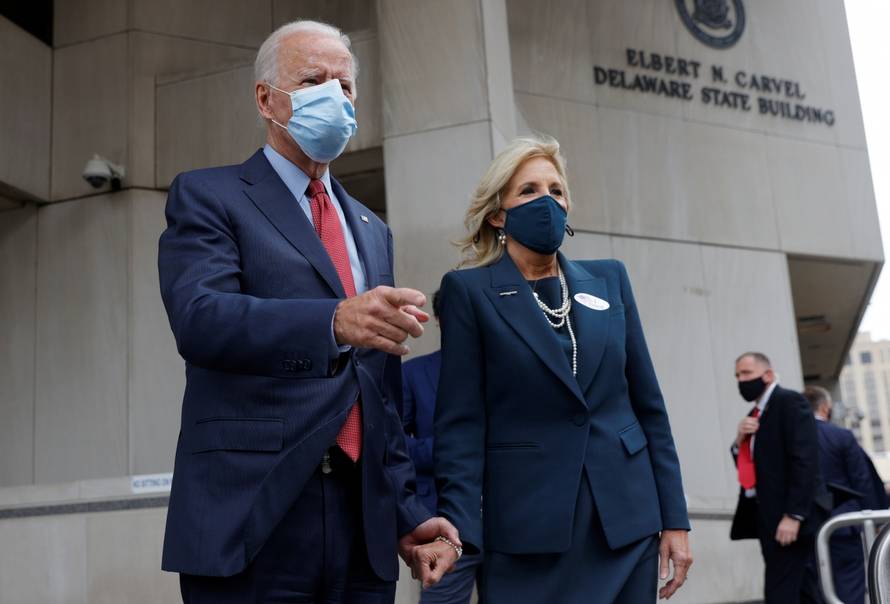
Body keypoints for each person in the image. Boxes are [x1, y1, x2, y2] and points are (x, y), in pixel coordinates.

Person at [158, 20, 459, 603]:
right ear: (265, 98)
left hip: (362, 524)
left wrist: (405, 512)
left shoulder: (373, 229)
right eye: (313, 80)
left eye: (344, 87)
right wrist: (330, 322)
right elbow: (200, 316)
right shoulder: (208, 195)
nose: (334, 97)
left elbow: (379, 391)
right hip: (254, 512)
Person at [415, 135, 693, 603]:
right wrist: (457, 531)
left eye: (556, 190)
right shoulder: (468, 292)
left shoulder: (610, 278)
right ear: (498, 213)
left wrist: (675, 518)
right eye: (528, 190)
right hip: (527, 532)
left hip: (626, 523)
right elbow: (460, 426)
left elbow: (649, 407)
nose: (547, 201)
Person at [729, 353, 832, 603]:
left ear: (768, 375)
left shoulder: (789, 402)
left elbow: (805, 461)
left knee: (779, 592)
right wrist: (739, 442)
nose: (741, 380)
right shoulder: (755, 414)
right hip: (768, 517)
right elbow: (751, 469)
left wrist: (794, 515)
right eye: (737, 375)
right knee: (803, 590)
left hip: (788, 519)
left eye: (746, 374)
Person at [401, 290, 483, 603]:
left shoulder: (504, 371)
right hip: (444, 521)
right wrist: (450, 449)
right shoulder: (413, 373)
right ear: (439, 320)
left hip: (508, 521)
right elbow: (393, 447)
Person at [803, 385, 889, 604]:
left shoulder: (793, 438)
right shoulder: (840, 435)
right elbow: (862, 480)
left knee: (819, 588)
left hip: (808, 526)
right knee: (849, 586)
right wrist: (876, 517)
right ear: (824, 407)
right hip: (844, 524)